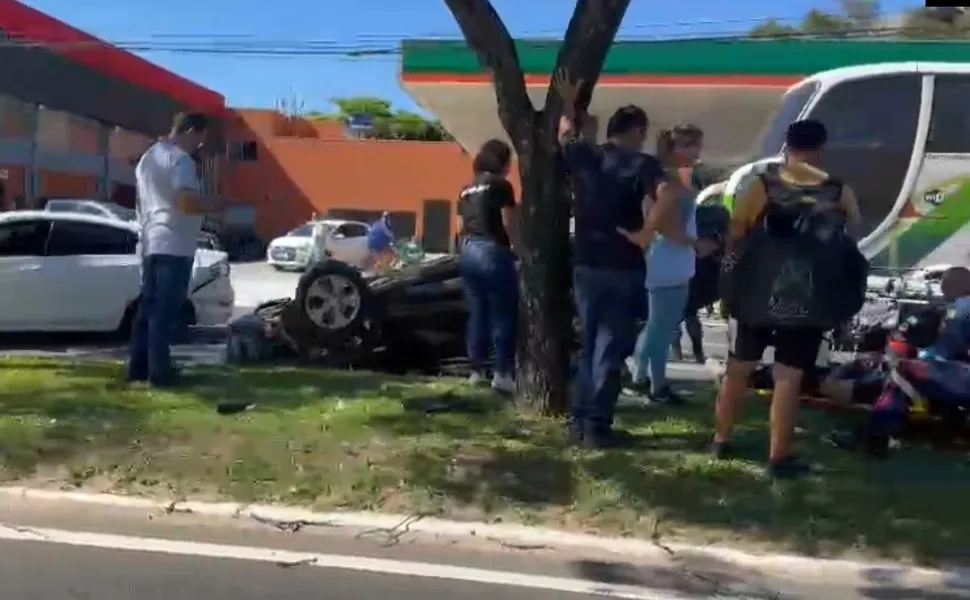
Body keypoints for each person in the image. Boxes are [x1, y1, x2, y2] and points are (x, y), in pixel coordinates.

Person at [710, 118, 866, 478]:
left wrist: (731, 280)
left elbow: (737, 231)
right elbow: (849, 231)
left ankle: (721, 439)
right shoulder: (838, 190)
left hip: (756, 292)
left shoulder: (762, 185)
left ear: (787, 145)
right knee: (789, 376)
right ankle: (778, 456)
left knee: (739, 367)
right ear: (821, 147)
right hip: (808, 297)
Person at [555, 69, 666, 447]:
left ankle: (579, 422)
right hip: (622, 263)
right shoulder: (642, 163)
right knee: (612, 347)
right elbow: (666, 196)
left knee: (591, 344)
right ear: (637, 131)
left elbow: (567, 136)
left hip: (586, 263)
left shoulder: (587, 156)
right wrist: (645, 235)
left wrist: (570, 103)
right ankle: (596, 426)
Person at [629, 125, 716, 403]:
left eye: (696, 145)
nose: (695, 152)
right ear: (673, 148)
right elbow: (665, 226)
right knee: (660, 327)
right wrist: (695, 243)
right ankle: (639, 379)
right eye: (689, 146)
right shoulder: (666, 182)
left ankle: (657, 384)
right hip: (665, 262)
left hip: (673, 263)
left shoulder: (676, 180)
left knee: (664, 326)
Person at [127, 112, 210, 387]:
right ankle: (160, 373)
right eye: (200, 138)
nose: (199, 145)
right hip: (174, 244)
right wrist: (218, 204)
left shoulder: (148, 158)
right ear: (191, 131)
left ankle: (138, 368)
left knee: (148, 310)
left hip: (151, 240)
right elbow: (185, 203)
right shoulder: (180, 159)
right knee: (164, 311)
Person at [457, 138, 519, 395]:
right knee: (504, 313)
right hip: (492, 249)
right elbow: (508, 221)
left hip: (469, 250)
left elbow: (460, 228)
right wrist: (518, 249)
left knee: (477, 313)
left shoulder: (466, 189)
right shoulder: (501, 185)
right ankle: (503, 372)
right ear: (502, 162)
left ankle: (476, 370)